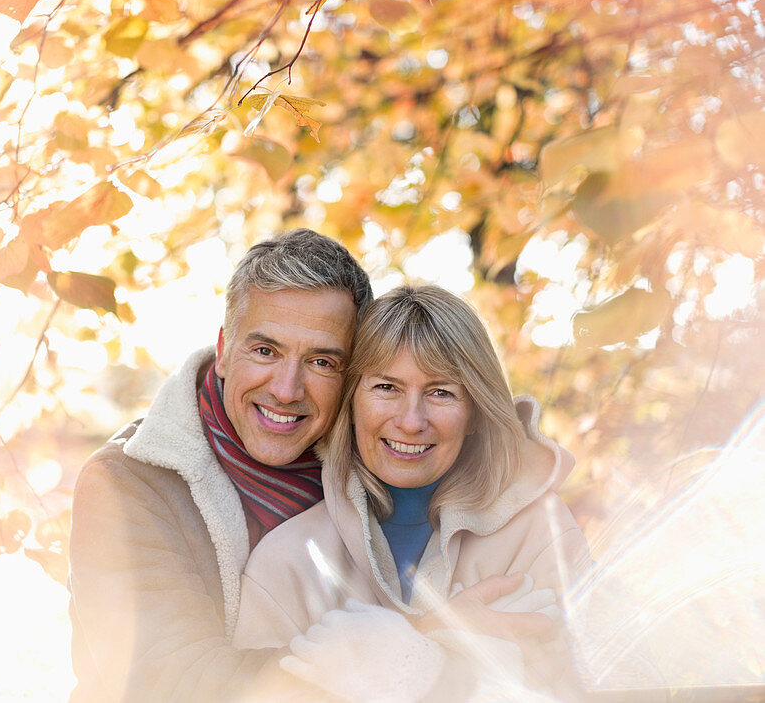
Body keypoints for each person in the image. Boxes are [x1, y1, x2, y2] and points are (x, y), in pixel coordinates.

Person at [233, 284, 592, 700]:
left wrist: (423, 667)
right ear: (351, 403)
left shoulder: (539, 534)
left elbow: (577, 686)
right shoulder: (288, 562)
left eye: (441, 392)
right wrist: (443, 644)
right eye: (386, 387)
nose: (411, 421)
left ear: (474, 411)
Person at [67, 228, 371, 702]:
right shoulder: (126, 482)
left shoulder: (368, 479)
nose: (287, 389)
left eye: (322, 362)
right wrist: (403, 645)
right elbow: (168, 681)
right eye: (265, 351)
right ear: (225, 349)